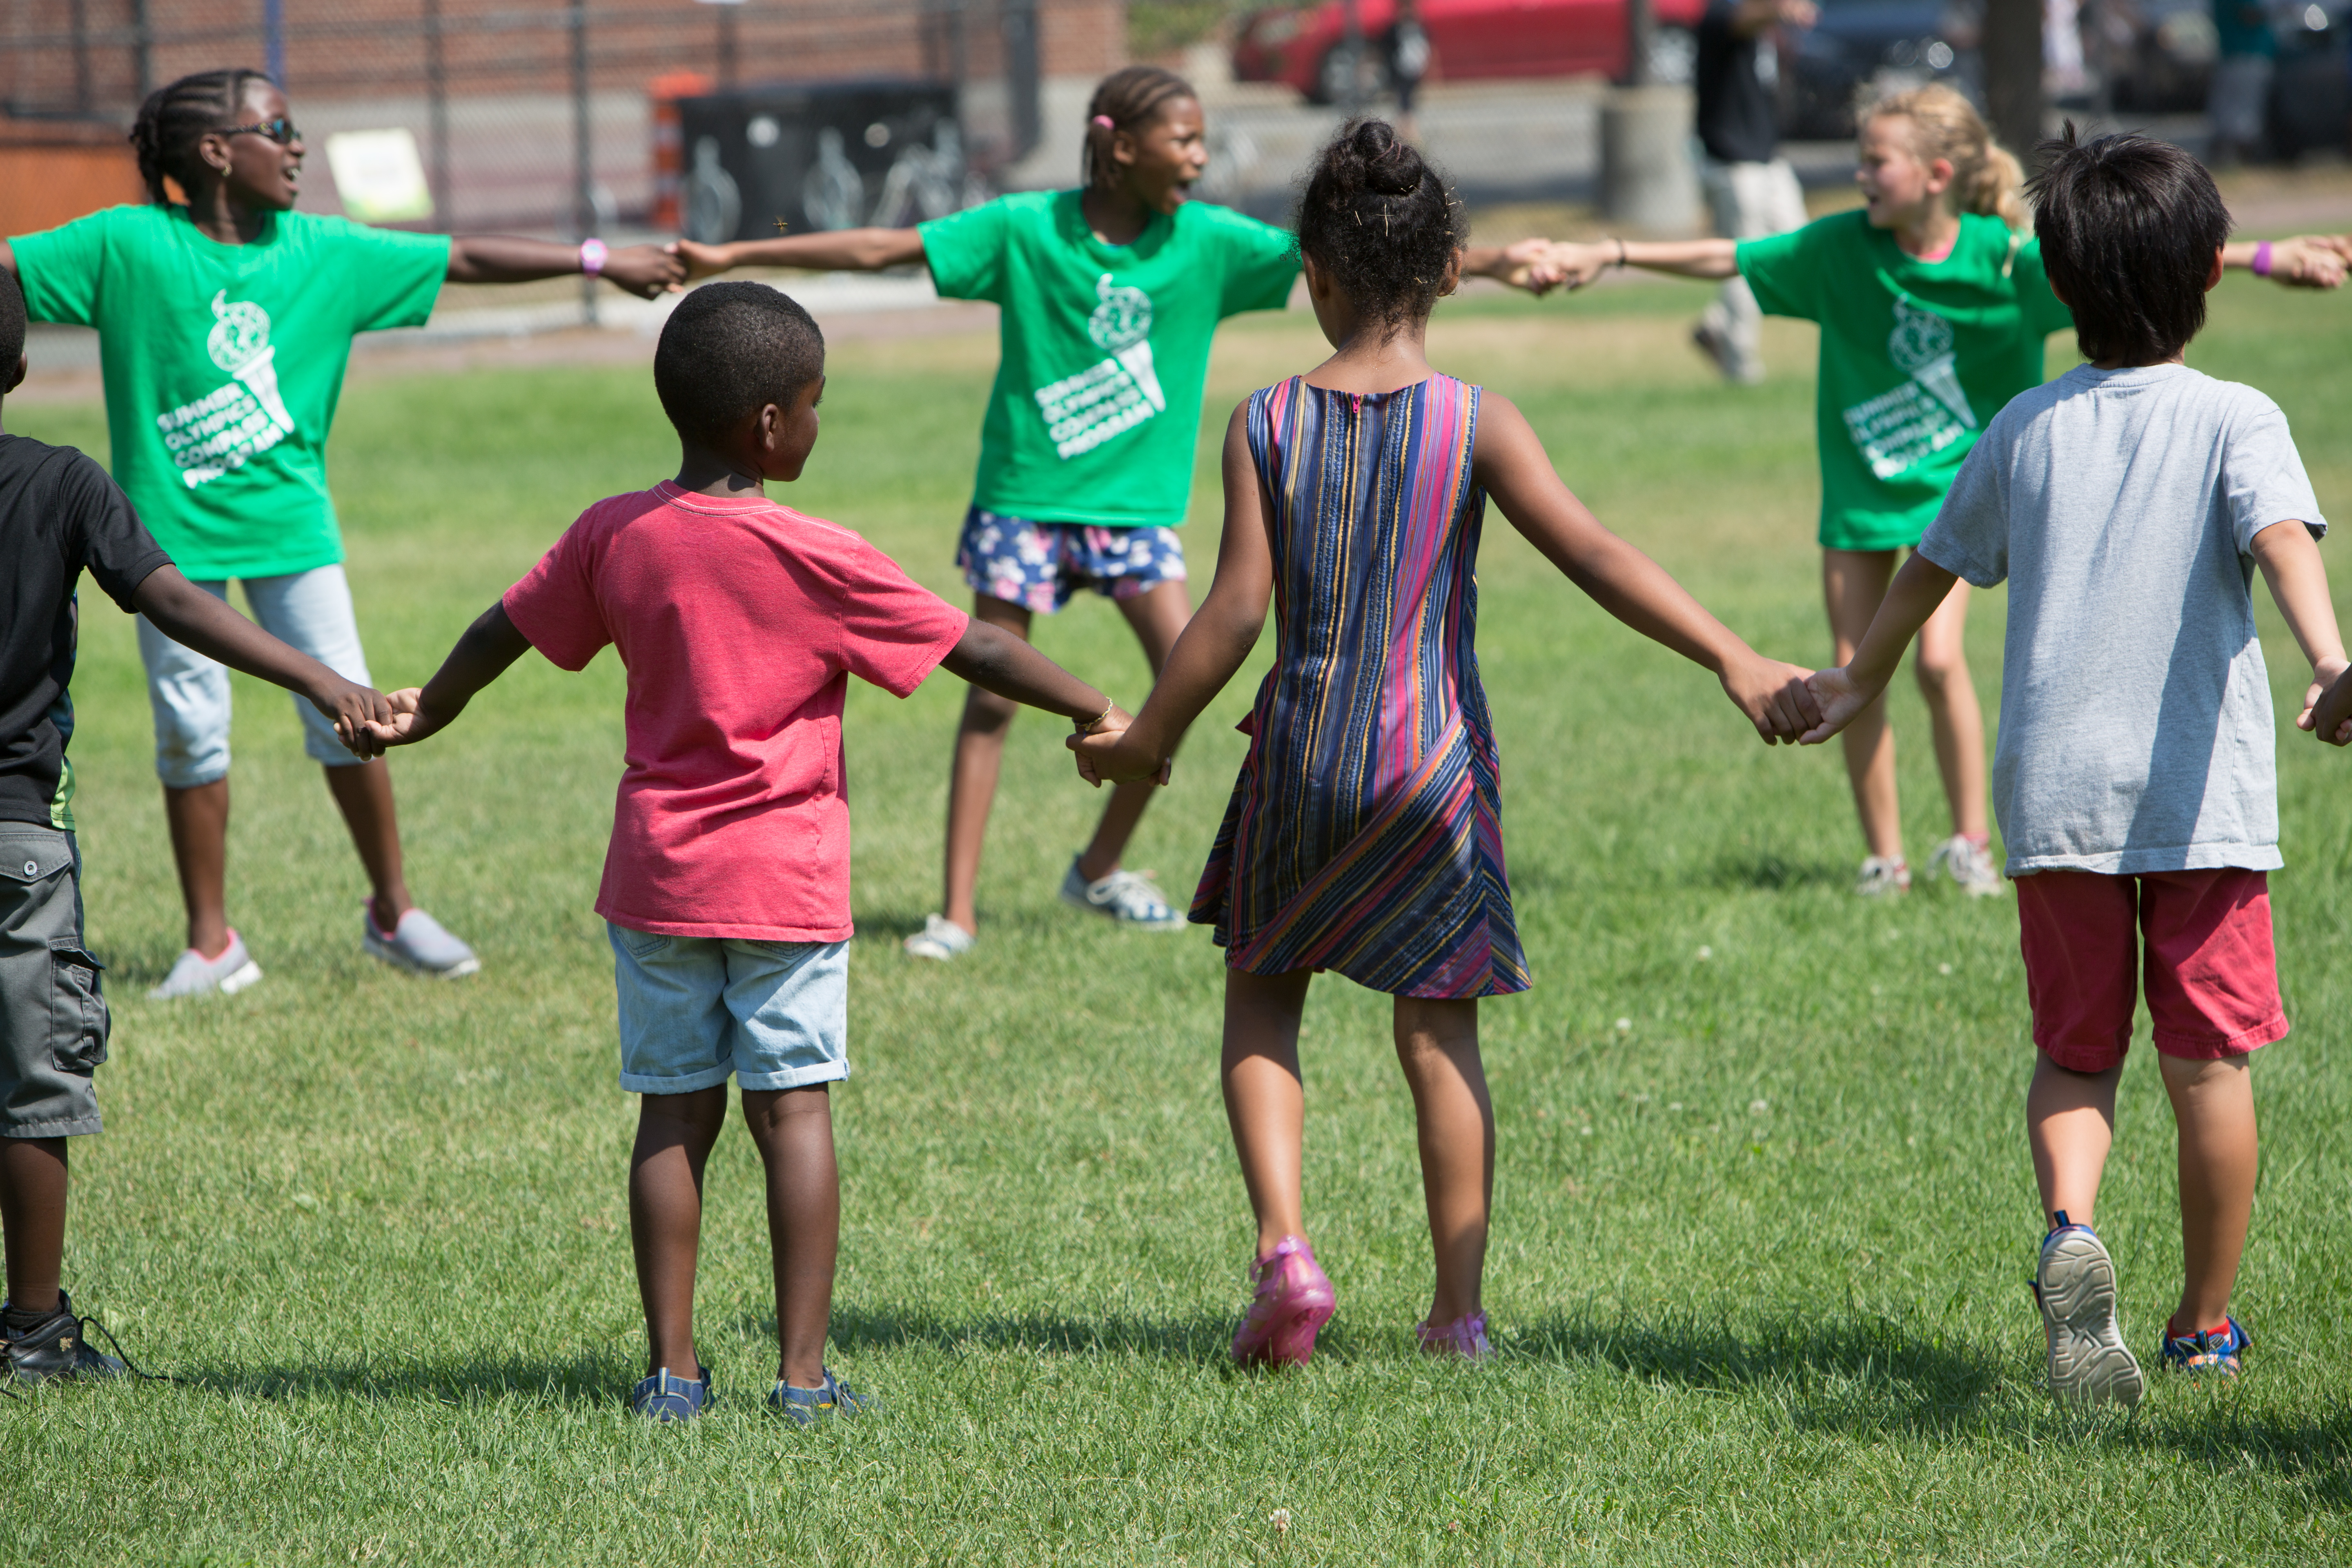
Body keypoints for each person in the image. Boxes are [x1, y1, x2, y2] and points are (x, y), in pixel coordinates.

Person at [1071, 122, 1818, 1366]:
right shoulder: (1477, 420)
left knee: (1263, 993)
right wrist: (1737, 656)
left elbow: (1234, 610)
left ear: (1313, 267)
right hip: (1434, 761)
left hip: (1301, 751)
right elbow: (1598, 555)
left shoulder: (1266, 421)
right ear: (1454, 268)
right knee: (1440, 1028)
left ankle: (1287, 1253)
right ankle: (1457, 1313)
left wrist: (1147, 738)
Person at [350, 282, 1132, 1421]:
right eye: (815, 405)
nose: (820, 423)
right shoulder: (816, 552)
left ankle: (671, 1375)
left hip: (658, 879)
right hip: (785, 880)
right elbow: (979, 648)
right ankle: (803, 1381)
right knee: (793, 1114)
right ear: (770, 425)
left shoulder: (613, 532)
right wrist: (1094, 704)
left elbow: (501, 629)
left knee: (673, 1114)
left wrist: (432, 710)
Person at [672, 65, 1558, 962]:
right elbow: (883, 250)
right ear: (1122, 146)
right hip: (1026, 500)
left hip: (1135, 515)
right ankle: (957, 914)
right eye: (1184, 139)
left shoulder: (1208, 241)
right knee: (990, 703)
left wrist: (1485, 263)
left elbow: (1369, 253)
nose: (1201, 156)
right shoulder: (1024, 229)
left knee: (1182, 680)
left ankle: (1097, 868)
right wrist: (735, 259)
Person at [1799, 128, 2345, 1403]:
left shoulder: (2027, 426)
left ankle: (2072, 1229)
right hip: (2200, 799)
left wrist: (1862, 676)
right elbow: (2281, 538)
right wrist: (2329, 658)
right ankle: (2205, 1323)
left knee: (2080, 1054)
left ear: (2058, 280)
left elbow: (1931, 561)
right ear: (2205, 277)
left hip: (2054, 800)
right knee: (2208, 1061)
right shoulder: (2235, 414)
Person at [1539, 85, 2348, 898]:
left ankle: (1966, 841)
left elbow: (2139, 252)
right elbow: (1734, 257)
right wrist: (1611, 253)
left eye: (1875, 160)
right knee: (1852, 671)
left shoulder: (2003, 259)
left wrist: (2270, 258)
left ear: (1934, 174)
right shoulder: (1841, 250)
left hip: (1955, 500)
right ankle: (1882, 857)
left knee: (1934, 659)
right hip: (1861, 498)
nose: (1858, 173)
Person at [0, 67, 686, 999]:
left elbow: (465, 261)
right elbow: (8, 267)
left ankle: (394, 911)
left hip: (293, 531)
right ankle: (212, 944)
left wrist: (598, 262)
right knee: (190, 734)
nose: (297, 146)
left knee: (352, 710)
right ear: (214, 151)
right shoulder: (126, 245)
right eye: (276, 127)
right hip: (169, 548)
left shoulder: (324, 250)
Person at [0, 269, 392, 1383]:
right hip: (17, 833)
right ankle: (34, 1334)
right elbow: (171, 597)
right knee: (31, 1083)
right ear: (22, 369)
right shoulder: (61, 481)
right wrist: (321, 680)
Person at [1690, 0, 1817, 383]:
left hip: (1768, 159)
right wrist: (1779, 10)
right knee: (1744, 260)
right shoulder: (1721, 14)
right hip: (1731, 161)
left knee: (1802, 252)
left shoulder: (1763, 31)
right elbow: (1741, 21)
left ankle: (1715, 326)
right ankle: (1739, 363)